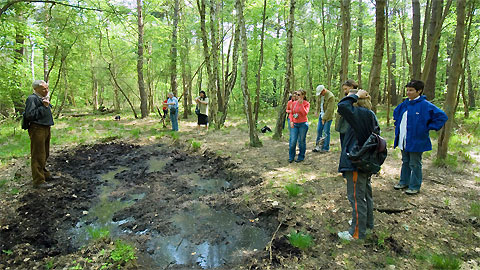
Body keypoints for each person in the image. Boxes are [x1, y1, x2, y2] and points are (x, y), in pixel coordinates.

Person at [336, 89, 379, 241]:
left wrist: (354, 96)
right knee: (365, 194)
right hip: (365, 162)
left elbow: (342, 106)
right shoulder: (370, 114)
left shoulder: (359, 114)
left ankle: (356, 233)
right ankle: (366, 224)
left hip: (356, 162)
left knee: (356, 197)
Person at [393, 80, 447, 195]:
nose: (408, 92)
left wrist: (427, 127)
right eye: (407, 90)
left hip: (417, 140)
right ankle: (403, 182)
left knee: (415, 163)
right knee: (405, 161)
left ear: (419, 91)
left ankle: (415, 186)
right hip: (404, 139)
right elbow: (396, 113)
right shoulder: (405, 104)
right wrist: (397, 124)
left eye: (411, 90)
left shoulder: (425, 105)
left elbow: (442, 116)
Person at [24, 80, 55, 188]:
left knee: (45, 153)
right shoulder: (32, 99)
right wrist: (44, 107)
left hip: (45, 127)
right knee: (38, 154)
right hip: (37, 128)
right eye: (43, 89)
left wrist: (45, 105)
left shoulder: (42, 98)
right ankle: (38, 181)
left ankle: (44, 174)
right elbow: (30, 115)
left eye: (47, 88)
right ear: (36, 89)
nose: (46, 90)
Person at [335, 79, 359, 147]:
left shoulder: (358, 97)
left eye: (346, 89)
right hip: (344, 126)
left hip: (352, 126)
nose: (345, 91)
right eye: (344, 89)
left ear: (351, 87)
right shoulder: (347, 98)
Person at [288, 89, 310, 163]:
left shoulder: (306, 103)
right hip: (294, 124)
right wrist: (291, 121)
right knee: (293, 141)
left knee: (301, 141)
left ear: (303, 96)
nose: (297, 96)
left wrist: (301, 104)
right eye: (296, 94)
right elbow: (291, 113)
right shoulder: (293, 103)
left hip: (303, 124)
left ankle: (301, 156)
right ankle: (291, 157)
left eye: (299, 95)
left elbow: (305, 113)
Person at [313, 85, 335, 153]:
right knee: (319, 130)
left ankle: (325, 148)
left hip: (328, 117)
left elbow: (329, 109)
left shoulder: (331, 96)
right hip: (321, 115)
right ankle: (318, 146)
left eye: (321, 93)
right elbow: (318, 103)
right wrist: (317, 111)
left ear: (324, 90)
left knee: (326, 132)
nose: (320, 94)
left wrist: (324, 118)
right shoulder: (320, 95)